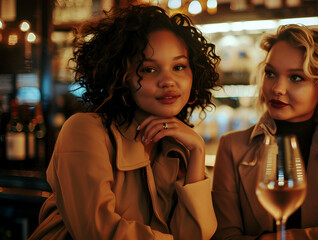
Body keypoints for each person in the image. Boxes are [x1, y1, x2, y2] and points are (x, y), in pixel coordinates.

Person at [29, 4, 220, 240]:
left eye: (179, 66)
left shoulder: (176, 145)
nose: (168, 81)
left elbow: (194, 234)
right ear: (121, 76)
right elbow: (99, 232)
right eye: (149, 69)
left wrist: (197, 150)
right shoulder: (84, 130)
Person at [211, 24, 318, 240]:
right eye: (270, 73)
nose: (277, 88)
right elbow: (224, 237)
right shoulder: (232, 146)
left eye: (295, 78)